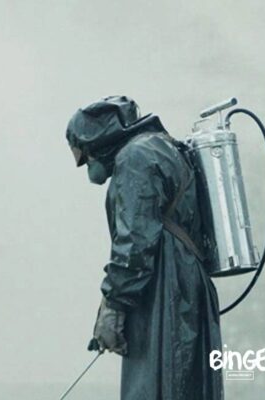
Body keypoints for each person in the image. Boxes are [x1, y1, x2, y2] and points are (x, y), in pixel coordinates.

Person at [66, 95, 224, 400]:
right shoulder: (161, 147)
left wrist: (114, 305)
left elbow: (135, 241)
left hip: (167, 288)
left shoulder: (134, 158)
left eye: (83, 154)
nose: (85, 165)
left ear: (97, 141)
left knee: (161, 388)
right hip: (184, 282)